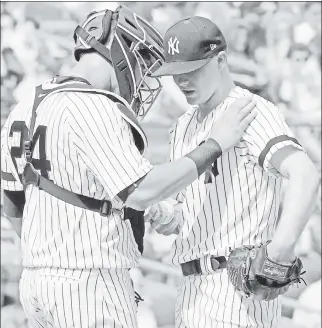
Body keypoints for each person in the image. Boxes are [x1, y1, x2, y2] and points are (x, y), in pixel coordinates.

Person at [0, 7, 256, 328]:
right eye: (142, 62)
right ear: (119, 50)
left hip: (37, 285)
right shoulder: (94, 105)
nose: (143, 75)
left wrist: (52, 255)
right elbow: (140, 189)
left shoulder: (24, 106)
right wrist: (215, 144)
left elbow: (14, 207)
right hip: (89, 284)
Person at [148, 16, 320, 328]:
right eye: (176, 73)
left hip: (236, 291)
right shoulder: (182, 126)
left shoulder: (250, 111)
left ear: (221, 60)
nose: (182, 80)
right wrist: (167, 214)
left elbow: (305, 174)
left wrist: (281, 249)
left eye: (191, 70)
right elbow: (188, 209)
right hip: (190, 290)